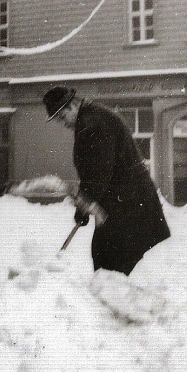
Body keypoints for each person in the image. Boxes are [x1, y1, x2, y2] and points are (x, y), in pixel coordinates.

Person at [42, 86, 170, 275]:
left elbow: (97, 174)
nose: (64, 124)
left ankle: (118, 301)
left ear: (72, 106)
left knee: (110, 264)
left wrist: (83, 205)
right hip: (128, 204)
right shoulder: (94, 116)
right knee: (109, 260)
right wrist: (85, 204)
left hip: (129, 206)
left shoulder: (92, 125)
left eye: (62, 117)